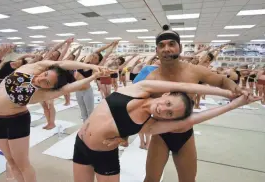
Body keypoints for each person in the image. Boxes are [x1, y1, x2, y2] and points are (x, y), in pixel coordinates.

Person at [73, 79, 260, 182]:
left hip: (104, 156)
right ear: (165, 94)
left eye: (169, 113)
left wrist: (234, 104)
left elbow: (194, 118)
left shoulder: (150, 125)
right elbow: (183, 86)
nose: (163, 109)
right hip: (80, 144)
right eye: (168, 103)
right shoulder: (140, 88)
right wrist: (229, 93)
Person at [129, 25, 249, 182]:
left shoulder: (194, 71)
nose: (166, 49)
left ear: (180, 47)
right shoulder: (151, 79)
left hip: (185, 134)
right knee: (151, 179)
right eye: (162, 45)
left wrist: (234, 87)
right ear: (157, 51)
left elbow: (221, 80)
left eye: (171, 44)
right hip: (160, 135)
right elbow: (134, 107)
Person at [0, 59, 105, 182]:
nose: (40, 79)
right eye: (45, 75)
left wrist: (93, 77)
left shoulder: (42, 94)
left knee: (22, 164)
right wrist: (90, 65)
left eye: (46, 83)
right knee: (10, 161)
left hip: (16, 121)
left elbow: (69, 88)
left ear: (50, 88)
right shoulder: (32, 68)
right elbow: (61, 64)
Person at [75, 41, 119, 122]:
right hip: (77, 91)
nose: (92, 58)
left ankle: (91, 127)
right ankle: (85, 127)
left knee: (90, 112)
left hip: (86, 91)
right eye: (93, 56)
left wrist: (113, 46)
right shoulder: (85, 63)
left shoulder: (96, 67)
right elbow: (97, 51)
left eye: (95, 58)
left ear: (98, 61)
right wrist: (109, 44)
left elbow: (106, 55)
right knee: (83, 112)